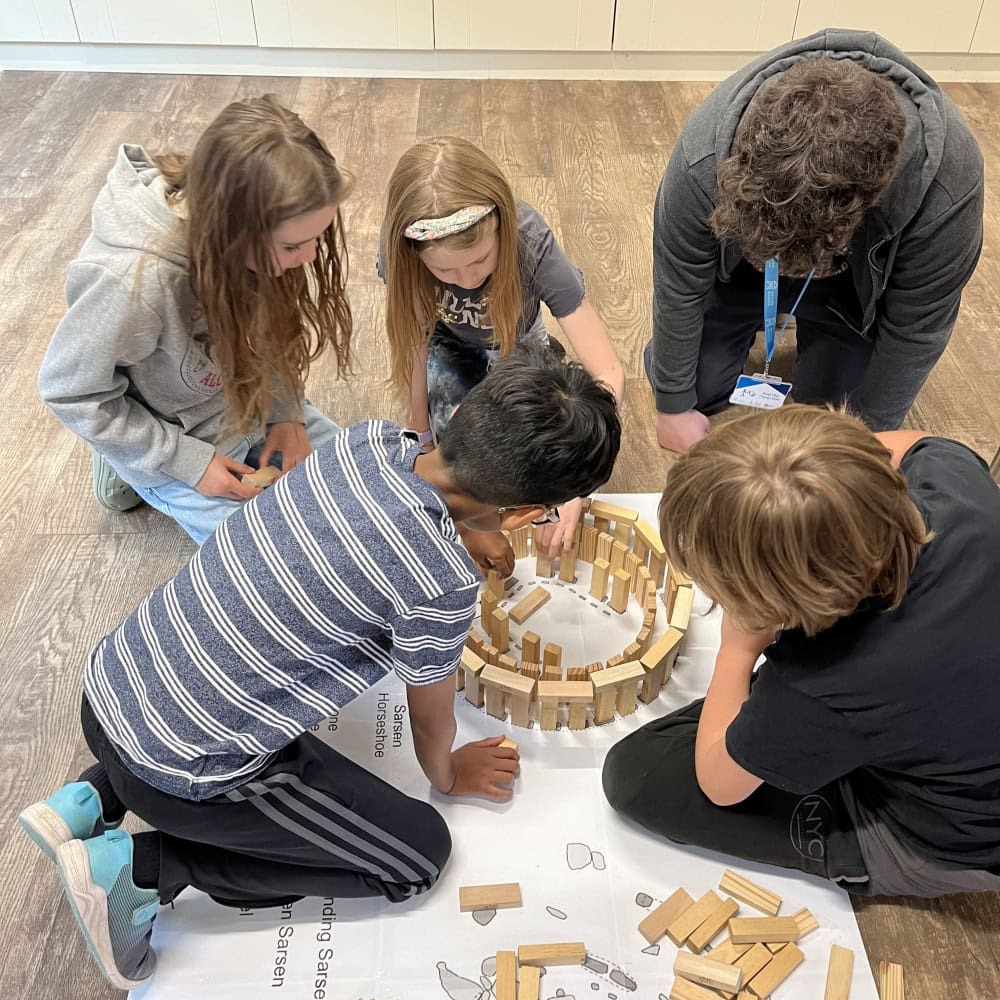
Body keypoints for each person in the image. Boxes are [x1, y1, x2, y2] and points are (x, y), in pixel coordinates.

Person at [19, 345, 621, 991]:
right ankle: (145, 870)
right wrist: (446, 774)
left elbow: (403, 511)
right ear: (531, 514)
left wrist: (471, 529)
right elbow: (428, 717)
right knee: (417, 857)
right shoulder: (440, 582)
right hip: (177, 771)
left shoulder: (370, 442)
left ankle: (87, 801)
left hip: (112, 684)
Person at [603, 404, 1000, 898]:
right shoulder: (955, 487)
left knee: (637, 774)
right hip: (959, 724)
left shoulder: (824, 681)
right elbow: (905, 443)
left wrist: (738, 648)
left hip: (956, 839)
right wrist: (821, 468)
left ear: (777, 604)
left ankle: (854, 840)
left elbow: (718, 785)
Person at [646, 28, 984, 453]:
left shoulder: (948, 190)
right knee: (688, 384)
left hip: (850, 293)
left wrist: (863, 444)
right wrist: (673, 406)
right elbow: (678, 284)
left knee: (833, 426)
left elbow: (917, 330)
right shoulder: (703, 157)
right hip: (743, 277)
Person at [38, 95, 353, 545]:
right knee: (277, 559)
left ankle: (133, 448)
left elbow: (269, 336)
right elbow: (71, 392)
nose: (307, 257)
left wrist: (287, 414)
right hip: (183, 437)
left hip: (247, 404)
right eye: (291, 247)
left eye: (315, 239)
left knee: (366, 488)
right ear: (230, 228)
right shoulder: (133, 283)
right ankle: (125, 459)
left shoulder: (260, 243)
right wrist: (185, 461)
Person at [379, 135, 624, 561]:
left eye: (479, 260)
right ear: (417, 256)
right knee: (463, 461)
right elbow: (413, 348)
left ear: (503, 230)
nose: (465, 279)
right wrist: (420, 436)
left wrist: (572, 490)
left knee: (544, 438)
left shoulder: (531, 243)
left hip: (519, 343)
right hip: (447, 344)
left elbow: (607, 372)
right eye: (443, 269)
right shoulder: (400, 259)